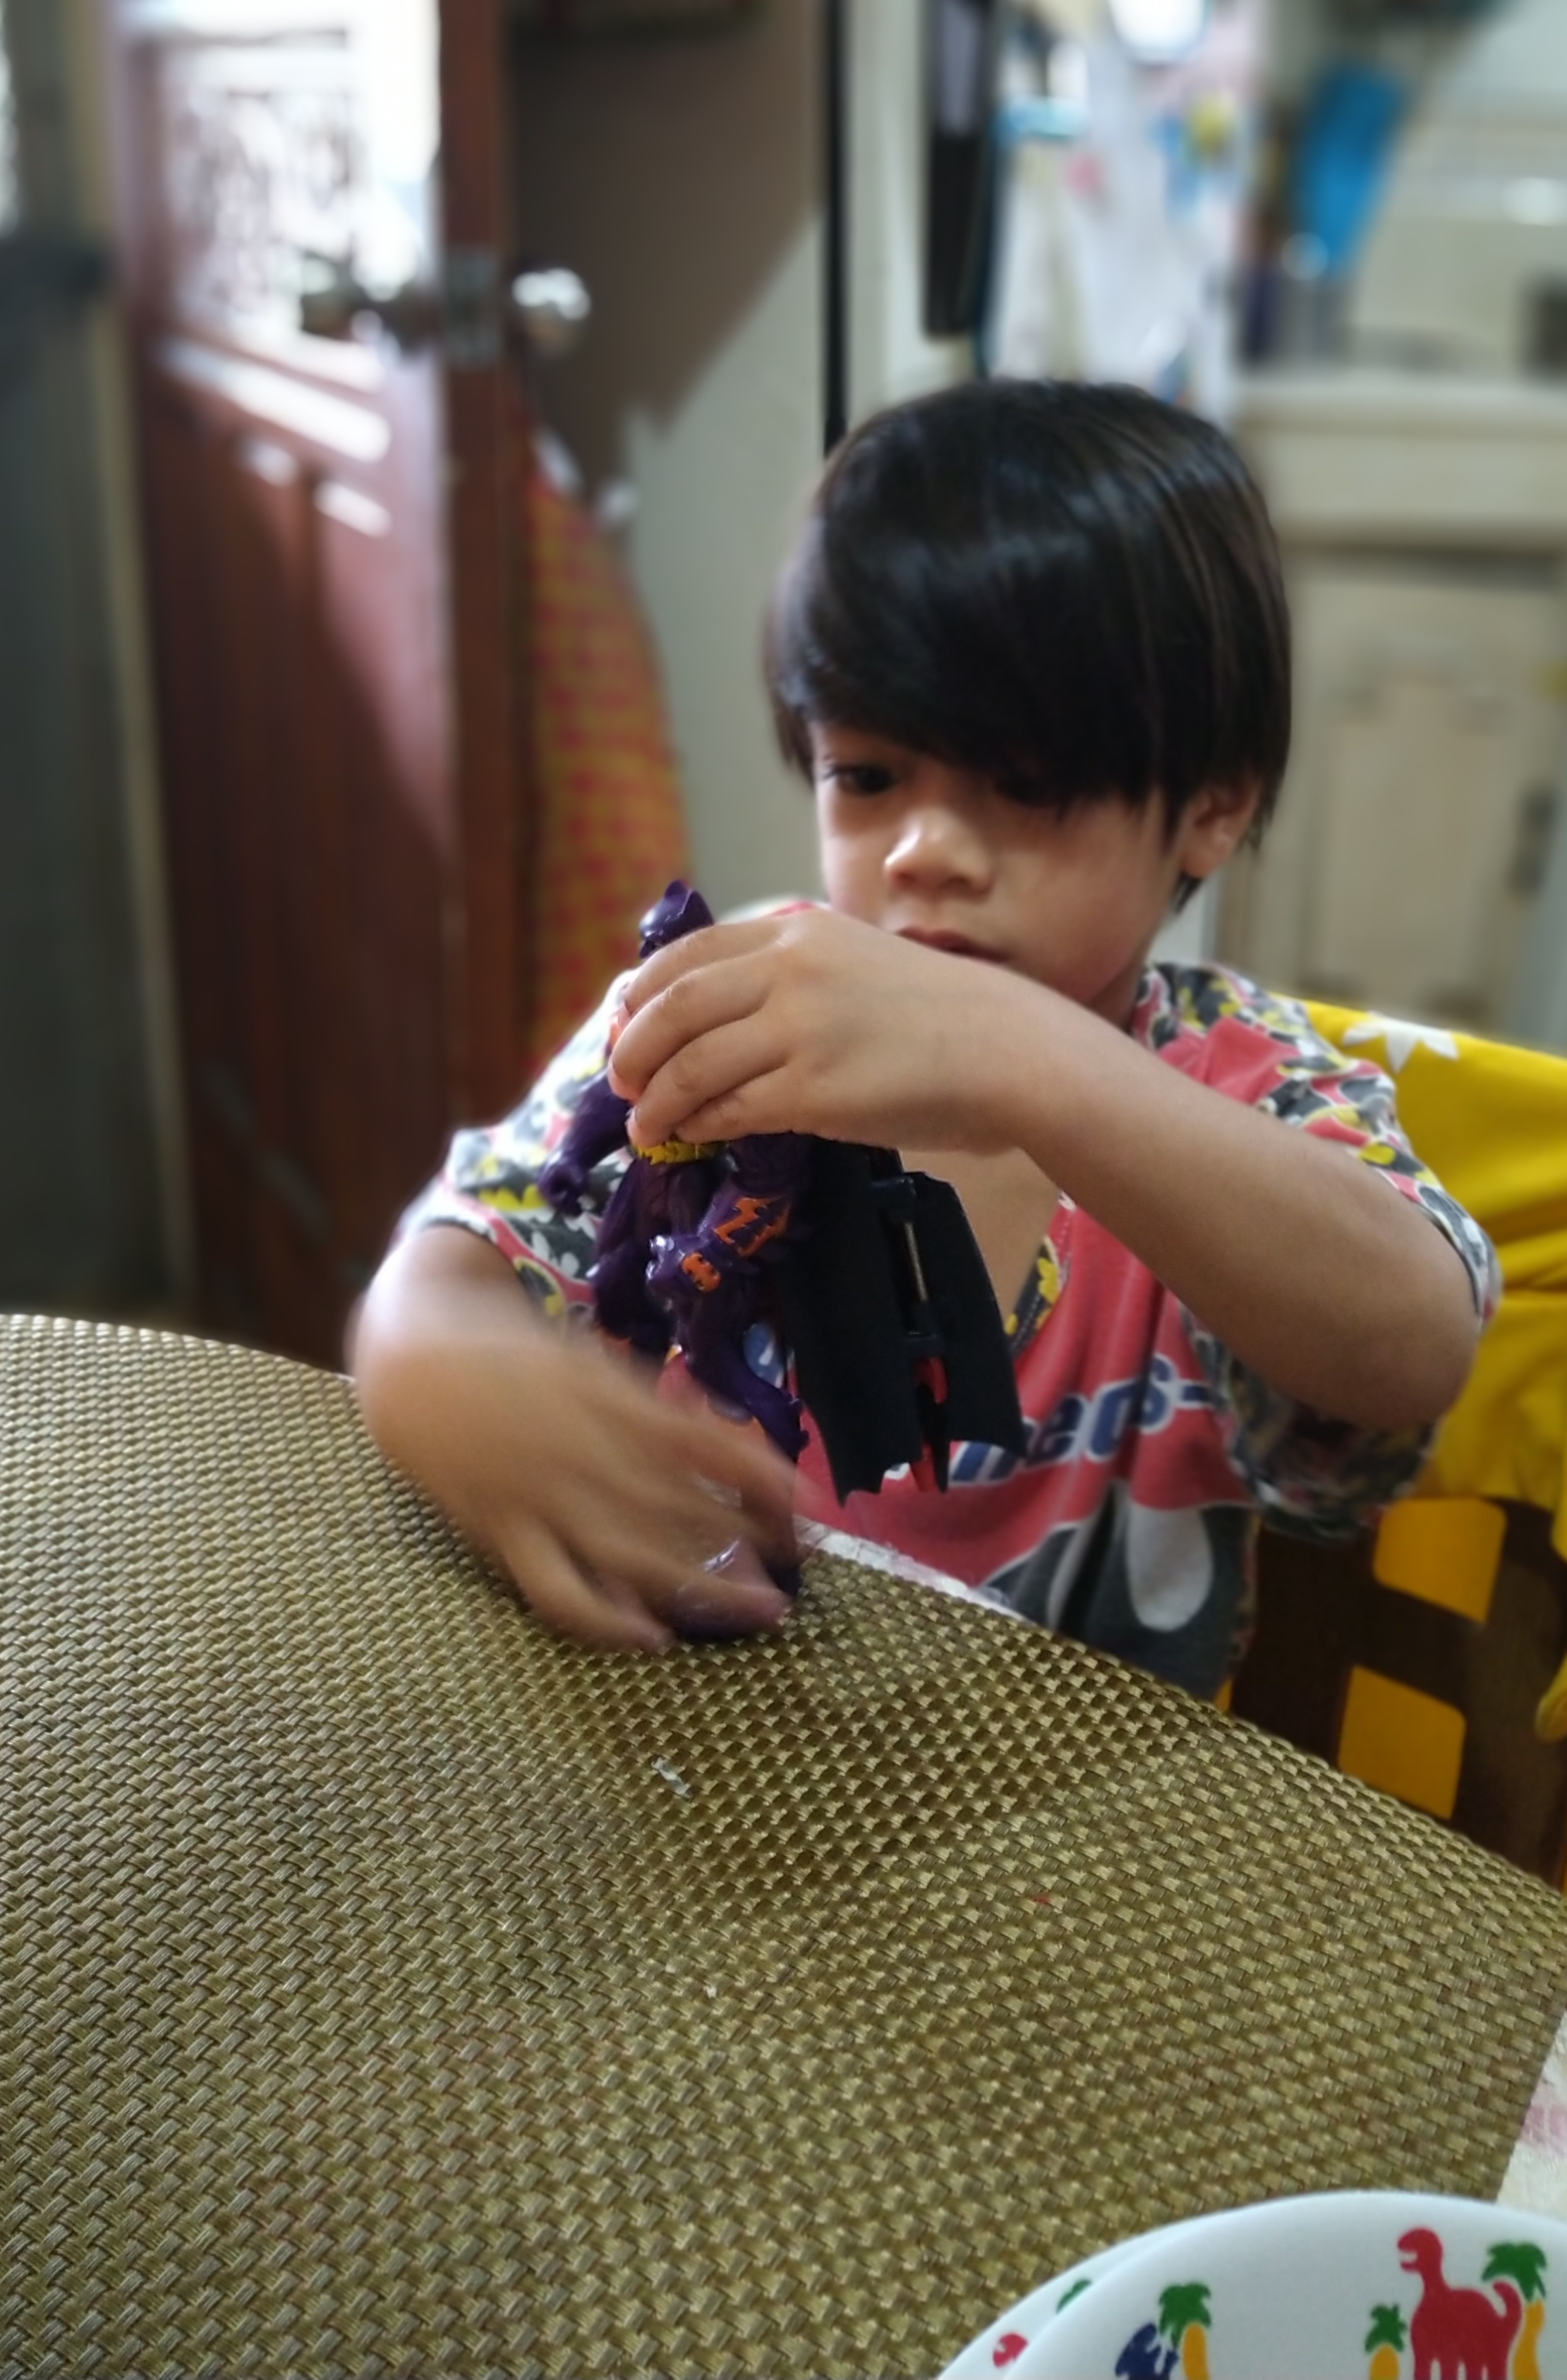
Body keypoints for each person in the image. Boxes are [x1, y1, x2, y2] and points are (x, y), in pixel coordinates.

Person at [353, 380, 1497, 1696]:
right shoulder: (735, 1009)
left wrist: (1024, 1057)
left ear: (1212, 805)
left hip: (1069, 1806)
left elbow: (1411, 1347)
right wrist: (452, 1375)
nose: (925, 851)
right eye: (869, 777)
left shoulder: (1236, 1085)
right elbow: (447, 1266)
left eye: (1026, 784)